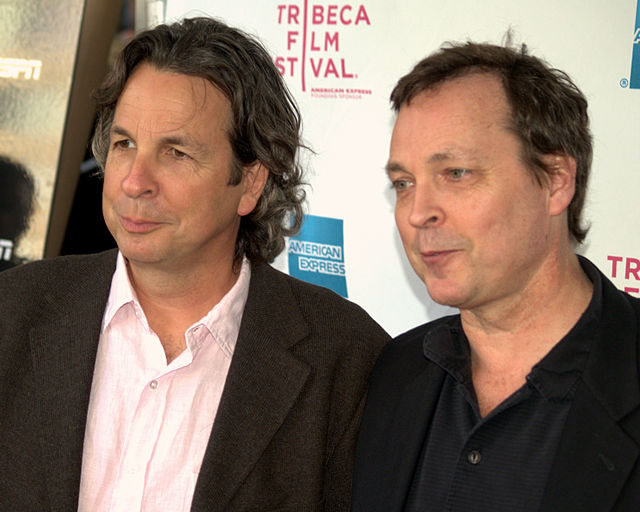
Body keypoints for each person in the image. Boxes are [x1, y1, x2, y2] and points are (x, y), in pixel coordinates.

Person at [0, 17, 389, 511]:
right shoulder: (13, 312)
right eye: (124, 145)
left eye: (176, 153)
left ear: (249, 182)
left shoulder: (346, 360)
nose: (134, 181)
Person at [352, 39, 640, 511]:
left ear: (555, 180)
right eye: (404, 184)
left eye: (456, 173)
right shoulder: (395, 372)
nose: (418, 212)